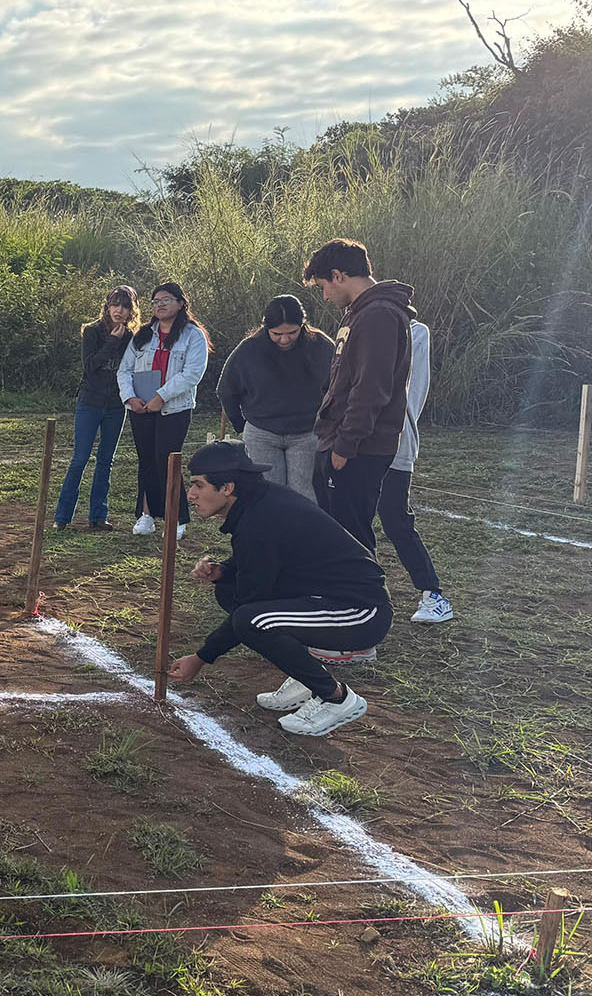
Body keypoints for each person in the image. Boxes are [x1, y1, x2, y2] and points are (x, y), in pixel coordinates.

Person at [166, 442, 391, 737]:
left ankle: (337, 698)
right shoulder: (259, 505)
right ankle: (306, 676)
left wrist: (201, 658)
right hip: (324, 598)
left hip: (361, 610)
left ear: (227, 488)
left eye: (198, 485)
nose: (190, 494)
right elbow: (264, 561)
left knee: (251, 621)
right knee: (228, 592)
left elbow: (251, 601)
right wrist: (224, 571)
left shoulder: (261, 519)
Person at [304, 238, 415, 552]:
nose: (325, 296)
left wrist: (346, 444)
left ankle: (367, 600)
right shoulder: (361, 312)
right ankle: (341, 598)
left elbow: (371, 389)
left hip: (358, 448)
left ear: (339, 275)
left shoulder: (378, 314)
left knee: (351, 538)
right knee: (335, 532)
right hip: (342, 441)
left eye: (324, 286)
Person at [216, 295, 334, 502]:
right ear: (266, 328)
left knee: (306, 495)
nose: (285, 339)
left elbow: (337, 387)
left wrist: (329, 423)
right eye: (277, 334)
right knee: (266, 494)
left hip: (308, 432)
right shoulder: (248, 350)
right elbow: (226, 389)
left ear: (303, 325)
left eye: (292, 332)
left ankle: (302, 534)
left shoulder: (322, 346)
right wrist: (240, 424)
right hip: (261, 433)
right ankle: (271, 535)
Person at [376, 320, 454, 623]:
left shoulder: (415, 332)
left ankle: (433, 593)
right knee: (352, 521)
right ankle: (362, 595)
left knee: (396, 520)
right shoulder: (355, 328)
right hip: (356, 444)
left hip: (394, 443)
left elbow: (411, 395)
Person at [117, 282, 208, 538]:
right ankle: (146, 515)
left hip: (174, 409)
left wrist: (161, 396)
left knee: (167, 461)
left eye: (166, 300)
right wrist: (130, 397)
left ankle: (176, 518)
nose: (160, 305)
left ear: (181, 303)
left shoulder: (193, 335)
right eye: (156, 301)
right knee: (146, 461)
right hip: (141, 409)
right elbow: (124, 370)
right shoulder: (143, 335)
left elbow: (192, 373)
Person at [54, 286, 138, 531]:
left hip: (115, 406)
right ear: (107, 305)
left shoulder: (131, 338)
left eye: (125, 306)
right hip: (89, 402)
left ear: (132, 311)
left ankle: (98, 516)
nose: (119, 310)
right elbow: (90, 366)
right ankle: (62, 517)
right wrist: (113, 341)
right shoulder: (92, 332)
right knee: (79, 459)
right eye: (115, 304)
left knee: (106, 460)